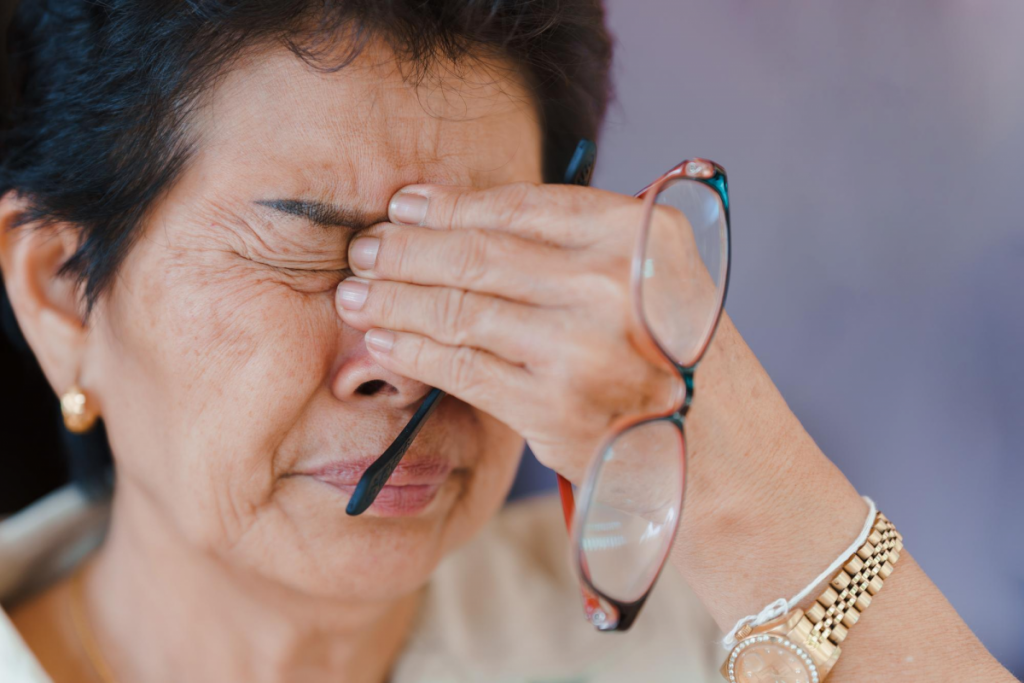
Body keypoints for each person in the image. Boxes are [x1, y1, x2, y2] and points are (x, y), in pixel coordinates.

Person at [0, 1, 1015, 682]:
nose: (403, 362)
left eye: (479, 264)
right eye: (316, 254)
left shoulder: (720, 637)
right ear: (61, 292)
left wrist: (749, 497)